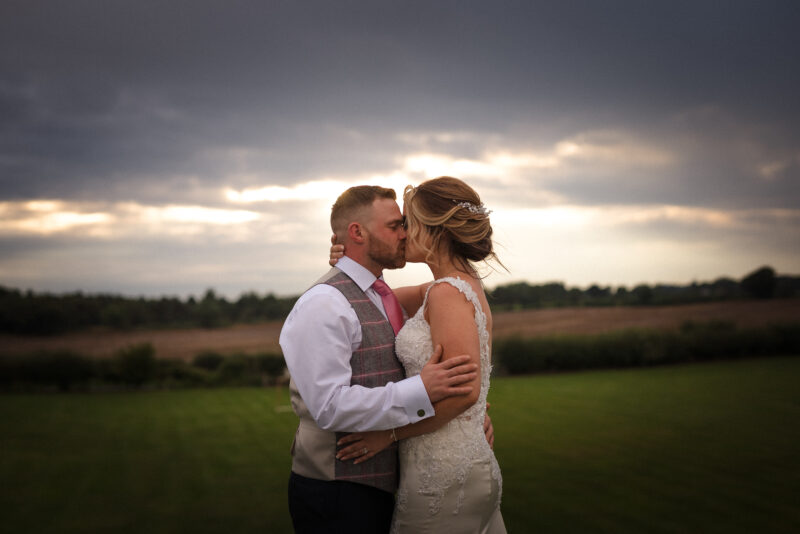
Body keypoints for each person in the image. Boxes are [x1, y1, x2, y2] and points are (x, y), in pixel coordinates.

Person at [280, 185, 487, 534]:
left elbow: (457, 347)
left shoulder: (386, 296)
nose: (405, 233)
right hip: (337, 489)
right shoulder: (325, 304)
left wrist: (472, 410)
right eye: (395, 226)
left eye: (406, 224)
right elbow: (328, 406)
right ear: (358, 233)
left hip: (388, 484)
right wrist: (420, 390)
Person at [335, 177, 506, 533]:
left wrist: (388, 435)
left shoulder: (447, 293)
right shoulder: (453, 284)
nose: (402, 233)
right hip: (454, 463)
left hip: (444, 473)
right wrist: (351, 260)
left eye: (408, 223)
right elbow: (378, 298)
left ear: (435, 231)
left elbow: (466, 394)